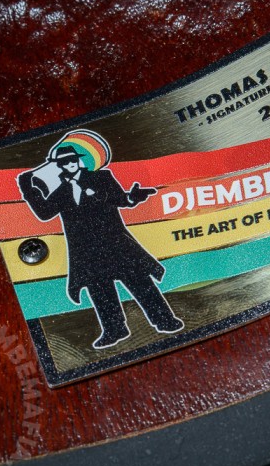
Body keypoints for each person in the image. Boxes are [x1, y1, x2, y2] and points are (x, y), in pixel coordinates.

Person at [18, 141, 184, 349]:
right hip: (86, 251)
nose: (69, 164)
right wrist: (27, 189)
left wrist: (132, 197)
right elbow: (44, 213)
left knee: (139, 282)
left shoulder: (101, 177)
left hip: (115, 243)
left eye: (72, 159)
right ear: (59, 166)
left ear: (78, 160)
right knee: (100, 291)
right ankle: (114, 330)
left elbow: (120, 199)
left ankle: (165, 320)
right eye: (64, 162)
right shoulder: (61, 190)